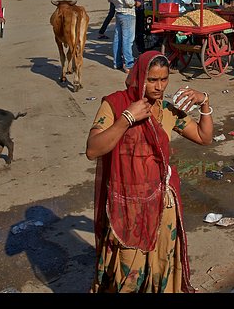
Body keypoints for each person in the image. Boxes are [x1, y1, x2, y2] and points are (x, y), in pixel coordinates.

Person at [86, 50, 212, 293]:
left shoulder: (165, 111)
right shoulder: (115, 105)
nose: (158, 86)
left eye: (163, 79)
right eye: (152, 80)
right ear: (139, 77)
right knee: (128, 272)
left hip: (162, 202)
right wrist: (126, 119)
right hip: (127, 204)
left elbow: (204, 137)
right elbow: (93, 149)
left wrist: (205, 101)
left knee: (160, 266)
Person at [111, 0, 137, 71]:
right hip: (127, 14)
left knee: (118, 39)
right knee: (128, 40)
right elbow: (129, 2)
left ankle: (117, 62)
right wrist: (136, 2)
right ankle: (129, 64)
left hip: (119, 12)